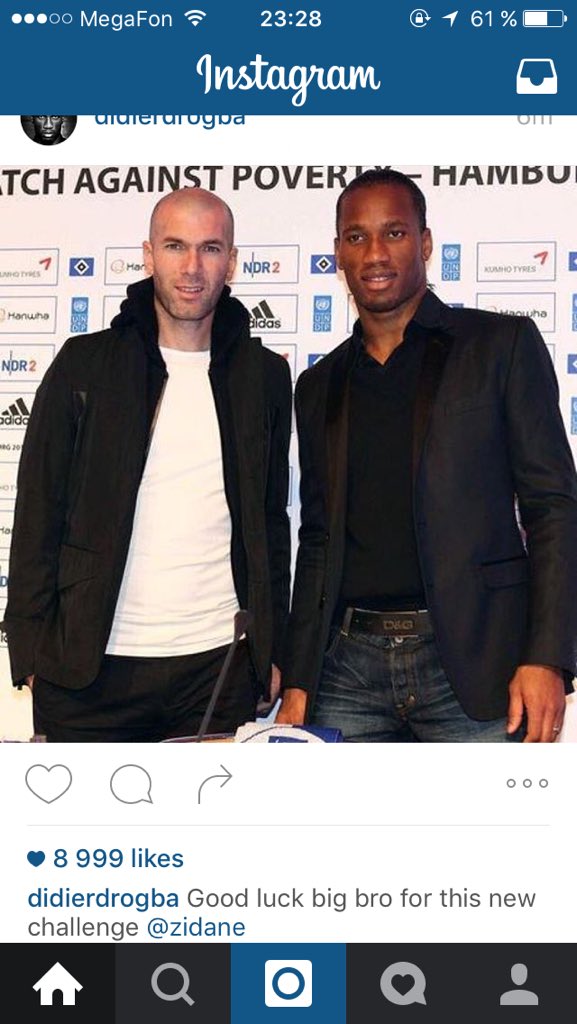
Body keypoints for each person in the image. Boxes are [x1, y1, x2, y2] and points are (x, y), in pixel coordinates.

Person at [278, 169, 577, 742]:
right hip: (346, 671)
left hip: (476, 662)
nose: (375, 253)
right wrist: (298, 677)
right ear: (338, 252)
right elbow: (316, 539)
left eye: (394, 232)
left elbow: (552, 508)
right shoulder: (319, 385)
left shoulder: (500, 347)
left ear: (426, 243)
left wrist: (546, 656)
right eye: (357, 236)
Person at [3, 188, 292, 742]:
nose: (192, 267)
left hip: (217, 669)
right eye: (175, 246)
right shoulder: (84, 365)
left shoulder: (264, 376)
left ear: (232, 261)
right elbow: (38, 511)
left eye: (210, 248)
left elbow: (271, 525)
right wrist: (31, 649)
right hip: (88, 671)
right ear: (148, 255)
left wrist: (271, 649)